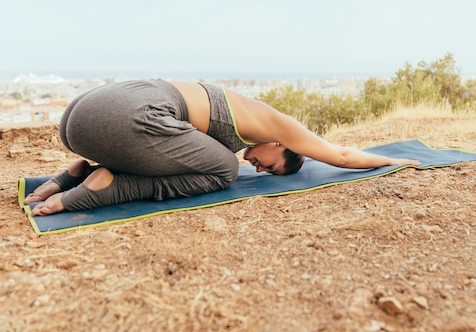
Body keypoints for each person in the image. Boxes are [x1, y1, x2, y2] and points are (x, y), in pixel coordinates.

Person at [25, 79, 421, 216]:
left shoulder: (239, 112)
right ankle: (99, 191)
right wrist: (392, 159)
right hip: (124, 114)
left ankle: (71, 175)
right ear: (281, 144)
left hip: (83, 117)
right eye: (272, 166)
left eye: (267, 174)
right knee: (223, 171)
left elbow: (163, 149)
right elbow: (341, 155)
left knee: (179, 155)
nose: (261, 171)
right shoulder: (279, 123)